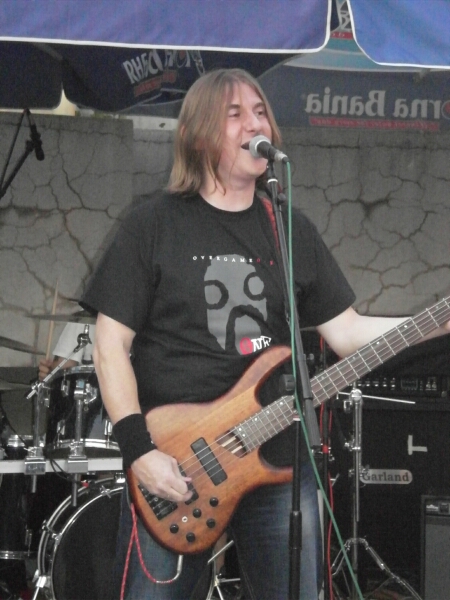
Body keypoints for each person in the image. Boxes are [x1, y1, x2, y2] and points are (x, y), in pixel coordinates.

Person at [80, 68, 450, 600]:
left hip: (278, 460)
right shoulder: (152, 224)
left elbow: (347, 332)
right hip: (178, 464)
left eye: (260, 112)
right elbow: (109, 345)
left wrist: (432, 324)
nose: (255, 124)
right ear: (199, 134)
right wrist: (140, 451)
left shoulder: (288, 227)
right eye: (235, 115)